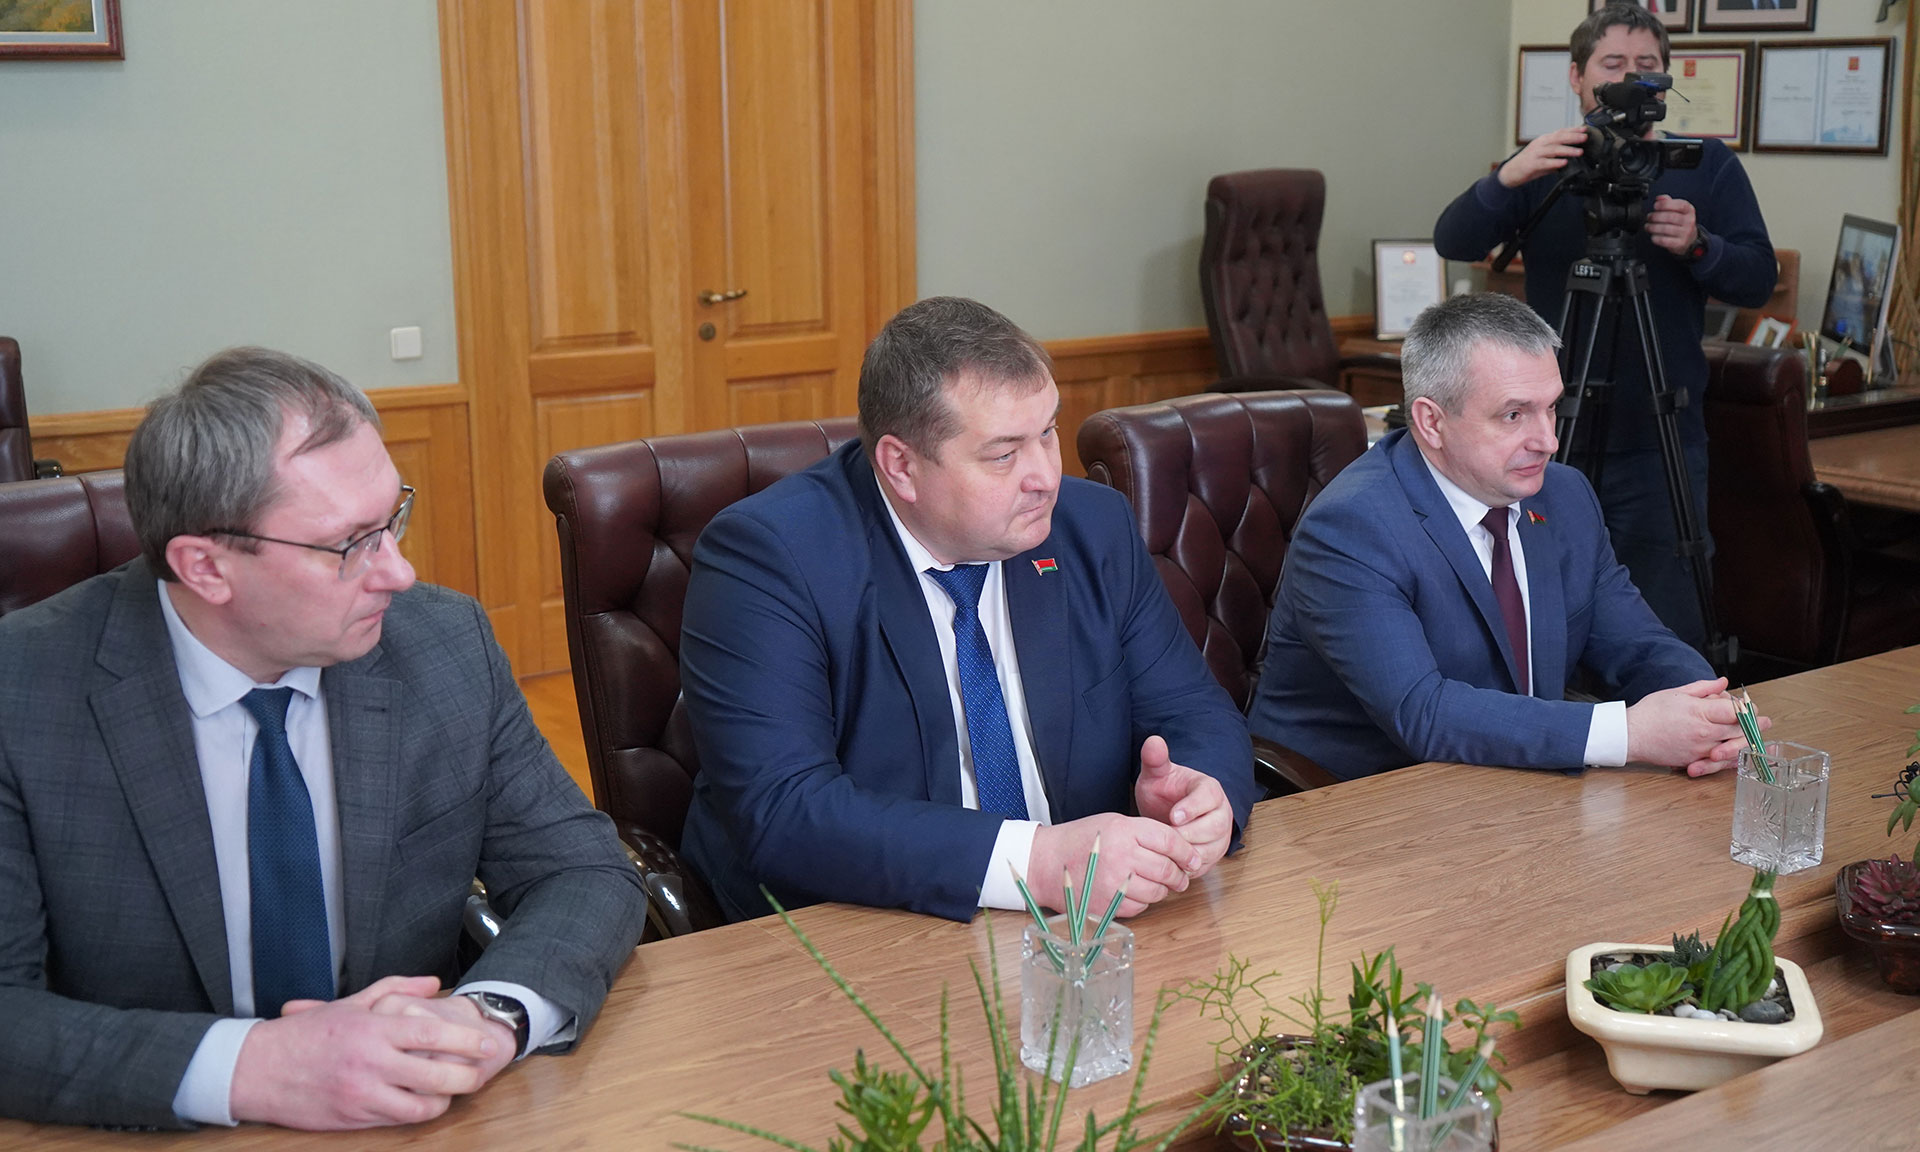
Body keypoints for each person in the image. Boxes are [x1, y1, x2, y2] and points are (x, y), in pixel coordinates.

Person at [0, 348, 647, 1130]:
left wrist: (482, 1019)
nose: (398, 574)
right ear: (204, 567)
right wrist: (253, 1067)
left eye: (391, 520)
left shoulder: (443, 644)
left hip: (419, 1124)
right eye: (350, 544)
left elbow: (581, 871)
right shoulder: (22, 693)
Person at [679, 296, 1259, 924]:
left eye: (1047, 433)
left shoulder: (1091, 527)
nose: (1046, 477)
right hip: (850, 930)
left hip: (1089, 926)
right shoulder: (770, 557)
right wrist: (1036, 862)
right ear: (901, 466)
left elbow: (1193, 710)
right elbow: (783, 809)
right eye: (1004, 455)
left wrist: (1200, 799)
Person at [1248, 293, 1764, 781]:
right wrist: (1631, 734)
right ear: (1431, 421)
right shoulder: (1353, 528)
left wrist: (1706, 710)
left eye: (1552, 407)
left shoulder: (1565, 496)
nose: (1548, 440)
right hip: (1356, 804)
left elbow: (1638, 643)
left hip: (1516, 783)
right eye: (1514, 415)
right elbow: (1422, 713)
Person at [1434, 4, 1776, 654]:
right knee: (1543, 613)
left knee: (1665, 627)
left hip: (1659, 441)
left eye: (1646, 65)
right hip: (1545, 437)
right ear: (1577, 76)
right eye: (1612, 63)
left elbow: (1758, 278)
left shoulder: (1703, 164)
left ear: (1666, 77)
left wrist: (1700, 245)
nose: (1629, 78)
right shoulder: (1549, 162)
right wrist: (1508, 176)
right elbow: (1454, 240)